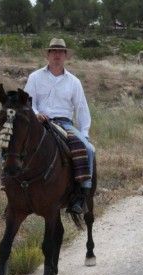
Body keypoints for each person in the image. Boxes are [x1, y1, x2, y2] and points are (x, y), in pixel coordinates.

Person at [24, 38, 95, 214]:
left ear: (65, 56)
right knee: (11, 142)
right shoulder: (34, 77)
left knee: (88, 149)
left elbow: (81, 108)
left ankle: (81, 193)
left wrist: (84, 132)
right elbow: (27, 102)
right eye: (53, 51)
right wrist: (35, 114)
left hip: (64, 123)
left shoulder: (74, 82)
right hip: (39, 122)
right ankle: (10, 187)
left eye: (60, 52)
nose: (57, 55)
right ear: (48, 55)